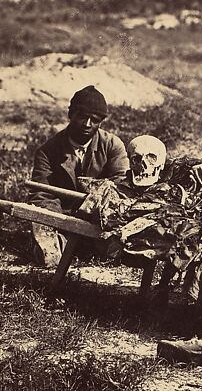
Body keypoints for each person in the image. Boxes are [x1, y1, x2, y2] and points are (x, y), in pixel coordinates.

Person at [28, 86, 130, 267]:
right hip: (63, 220)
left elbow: (121, 187)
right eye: (82, 116)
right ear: (70, 114)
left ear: (102, 122)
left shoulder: (113, 146)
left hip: (99, 220)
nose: (87, 124)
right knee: (49, 255)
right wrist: (61, 222)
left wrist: (94, 213)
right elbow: (41, 194)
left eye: (95, 119)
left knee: (115, 250)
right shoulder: (48, 151)